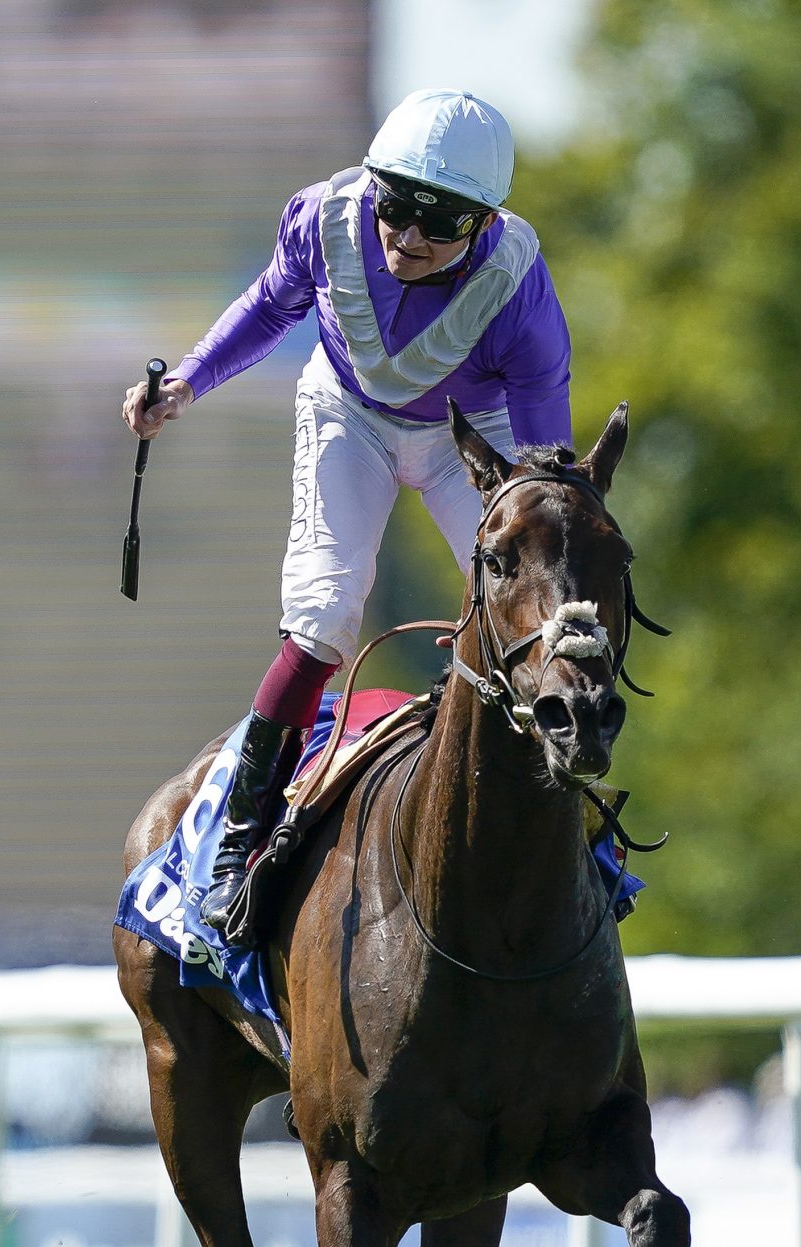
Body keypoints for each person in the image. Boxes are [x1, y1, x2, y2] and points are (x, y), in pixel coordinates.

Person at [122, 88, 571, 937]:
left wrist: (549, 531)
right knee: (327, 610)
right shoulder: (324, 218)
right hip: (349, 415)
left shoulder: (519, 287)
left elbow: (547, 452)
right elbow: (269, 304)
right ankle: (238, 838)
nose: (405, 237)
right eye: (396, 207)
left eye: (437, 226)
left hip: (460, 436)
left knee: (542, 610)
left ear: (484, 225)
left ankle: (579, 831)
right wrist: (185, 381)